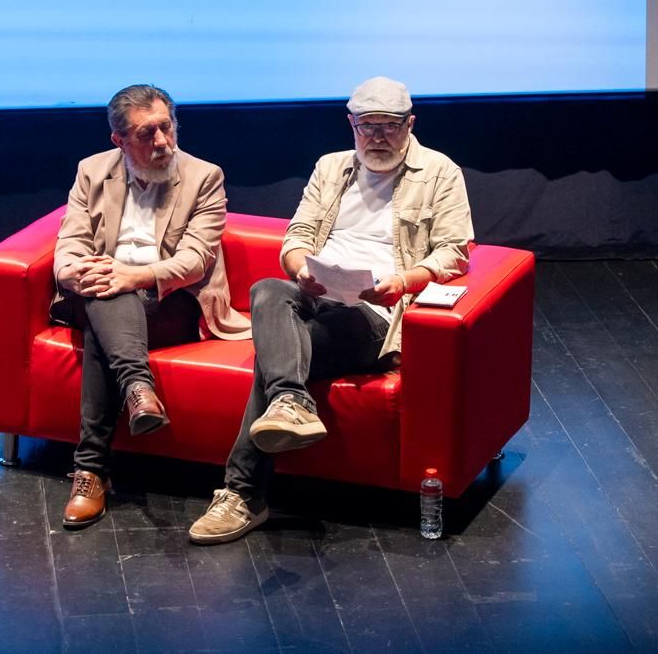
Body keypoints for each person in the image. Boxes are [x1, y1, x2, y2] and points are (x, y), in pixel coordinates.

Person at [188, 76, 474, 544]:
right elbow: (298, 235)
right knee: (268, 289)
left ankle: (243, 493)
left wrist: (405, 281)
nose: (377, 137)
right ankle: (290, 403)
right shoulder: (331, 167)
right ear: (351, 124)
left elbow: (455, 251)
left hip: (377, 313)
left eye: (389, 126)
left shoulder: (440, 172)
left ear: (410, 124)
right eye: (367, 126)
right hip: (320, 292)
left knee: (273, 358)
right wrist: (301, 269)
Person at [53, 84, 251, 529]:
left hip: (171, 301)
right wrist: (72, 272)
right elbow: (70, 242)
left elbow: (195, 260)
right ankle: (138, 390)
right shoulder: (92, 171)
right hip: (103, 291)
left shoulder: (204, 176)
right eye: (147, 134)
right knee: (107, 294)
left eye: (167, 128)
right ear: (119, 140)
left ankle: (90, 471)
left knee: (108, 304)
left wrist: (133, 276)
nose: (162, 141)